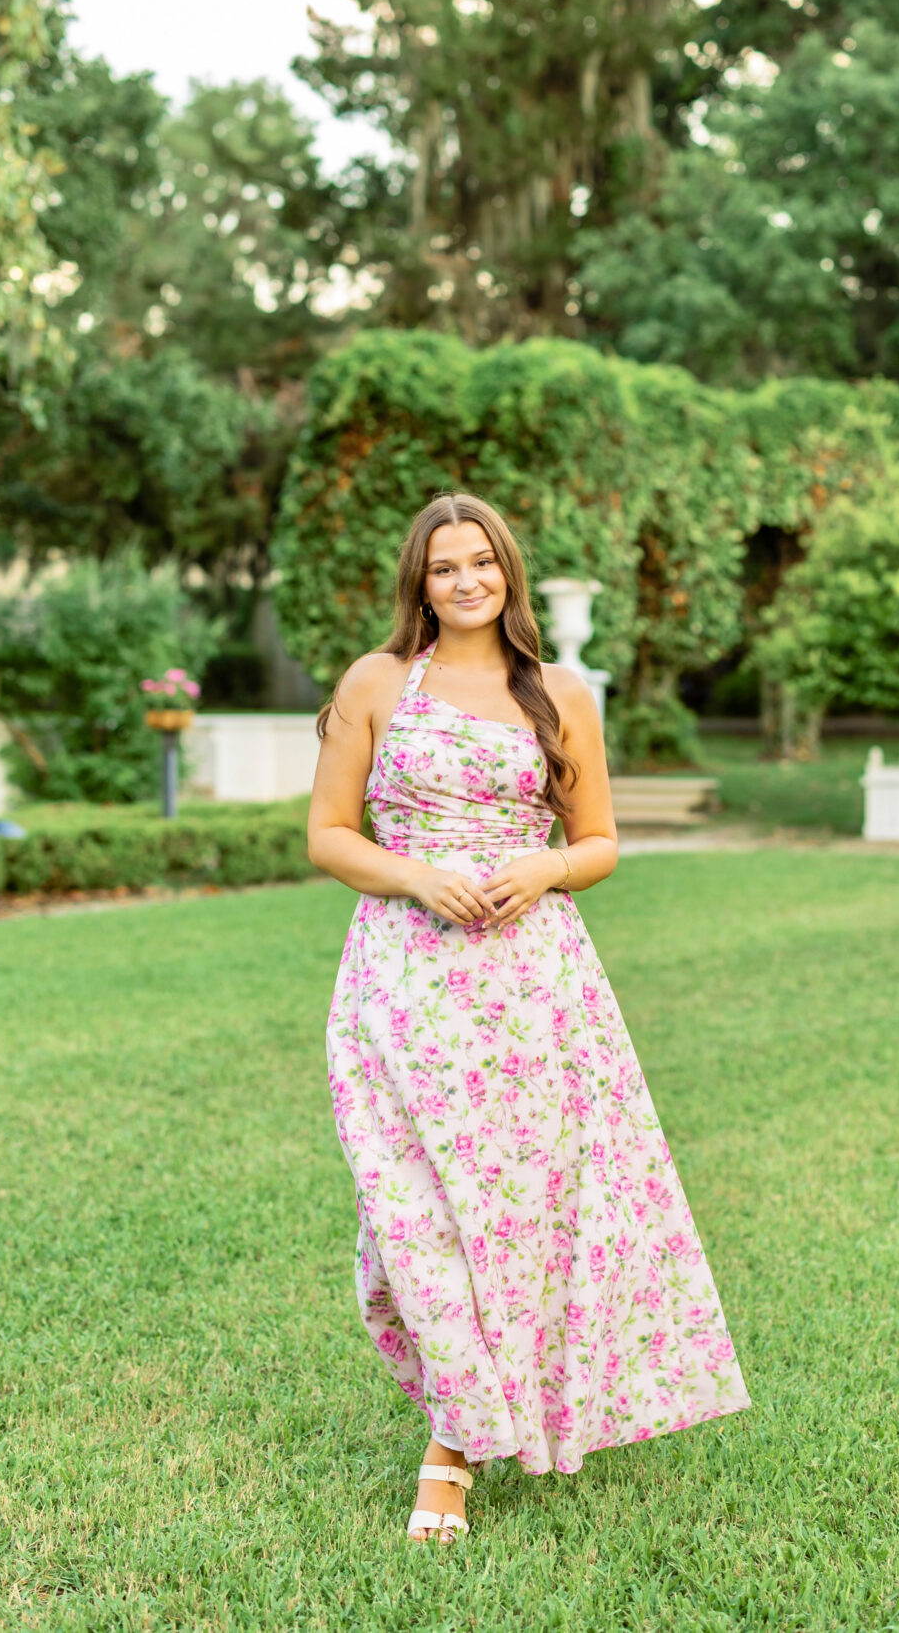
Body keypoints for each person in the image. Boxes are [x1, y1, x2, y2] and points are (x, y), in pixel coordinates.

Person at [307, 492, 750, 1544]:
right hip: (404, 985)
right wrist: (416, 877)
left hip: (532, 991)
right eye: (443, 566)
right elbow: (328, 833)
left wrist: (546, 864)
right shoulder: (375, 682)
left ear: (506, 572)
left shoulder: (557, 694)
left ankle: (451, 1453)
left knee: (517, 1216)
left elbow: (596, 840)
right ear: (417, 580)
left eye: (482, 563)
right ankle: (464, 1409)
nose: (465, 581)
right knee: (409, 1215)